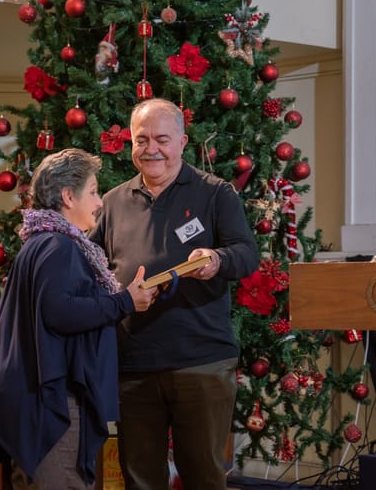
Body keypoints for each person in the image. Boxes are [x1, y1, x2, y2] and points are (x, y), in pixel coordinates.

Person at [89, 98, 259, 489]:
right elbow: (90, 266)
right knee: (139, 478)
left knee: (203, 476)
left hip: (201, 360)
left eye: (162, 139)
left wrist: (217, 259)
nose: (151, 149)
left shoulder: (216, 194)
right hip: (133, 362)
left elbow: (247, 254)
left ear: (183, 141)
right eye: (141, 139)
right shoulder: (112, 202)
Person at [0, 149, 156, 489]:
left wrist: (122, 299)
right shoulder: (59, 246)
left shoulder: (41, 243)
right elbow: (60, 311)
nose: (100, 202)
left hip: (35, 399)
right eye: (93, 191)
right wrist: (125, 301)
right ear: (68, 196)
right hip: (52, 403)